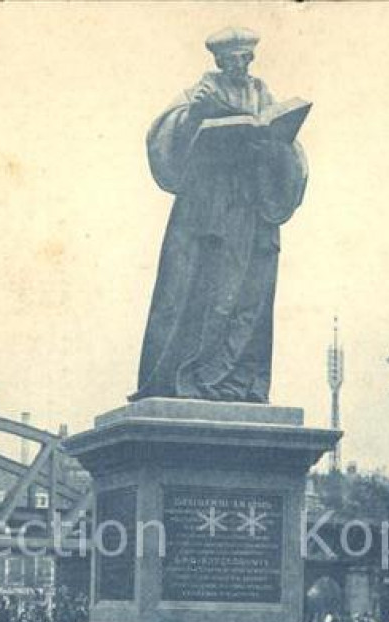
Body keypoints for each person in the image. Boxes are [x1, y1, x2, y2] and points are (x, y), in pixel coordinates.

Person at [133, 27, 308, 402]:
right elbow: (162, 138)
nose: (238, 66)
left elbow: (290, 152)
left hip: (251, 208)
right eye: (230, 60)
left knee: (249, 296)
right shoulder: (198, 95)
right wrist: (193, 116)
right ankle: (191, 377)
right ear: (218, 61)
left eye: (244, 59)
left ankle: (234, 379)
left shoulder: (263, 96)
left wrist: (275, 144)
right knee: (205, 291)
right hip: (208, 213)